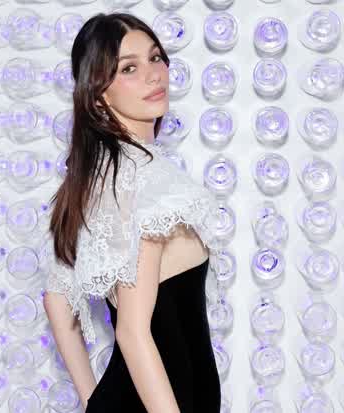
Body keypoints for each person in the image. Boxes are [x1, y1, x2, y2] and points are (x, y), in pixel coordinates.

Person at [42, 12, 223, 413]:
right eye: (129, 68)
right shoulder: (142, 179)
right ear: (98, 94)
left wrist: (94, 403)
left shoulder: (92, 180)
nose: (153, 75)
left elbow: (56, 302)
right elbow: (132, 332)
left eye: (155, 58)